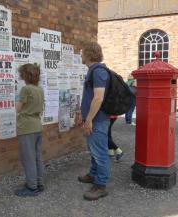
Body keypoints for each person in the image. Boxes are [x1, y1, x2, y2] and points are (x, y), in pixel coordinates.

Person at [75, 42, 110, 201]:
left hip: (98, 120)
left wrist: (89, 119)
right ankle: (93, 174)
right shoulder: (93, 71)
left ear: (89, 54)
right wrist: (83, 114)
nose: (81, 55)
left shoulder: (98, 72)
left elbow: (98, 98)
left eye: (82, 53)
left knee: (100, 153)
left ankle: (100, 186)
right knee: (94, 150)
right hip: (93, 119)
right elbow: (90, 97)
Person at [14, 63, 45, 197]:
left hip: (26, 127)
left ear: (25, 75)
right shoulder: (39, 89)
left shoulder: (25, 89)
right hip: (37, 125)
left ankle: (31, 187)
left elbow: (18, 108)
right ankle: (39, 183)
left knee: (28, 158)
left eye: (21, 73)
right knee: (37, 156)